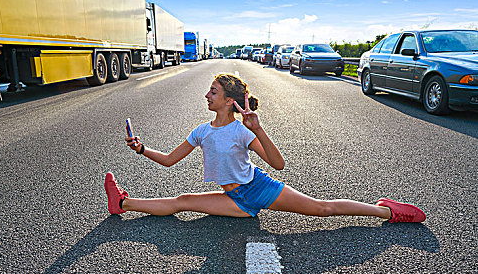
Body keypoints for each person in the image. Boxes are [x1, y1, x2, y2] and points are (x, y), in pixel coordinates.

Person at [104, 73, 426, 223]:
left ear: (229, 101)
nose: (207, 95)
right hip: (235, 200)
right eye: (208, 91)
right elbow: (170, 161)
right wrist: (142, 148)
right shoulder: (202, 131)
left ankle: (387, 211)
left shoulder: (242, 131)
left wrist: (257, 128)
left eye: (212, 92)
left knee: (322, 209)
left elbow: (279, 164)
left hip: (257, 188)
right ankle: (124, 203)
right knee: (183, 201)